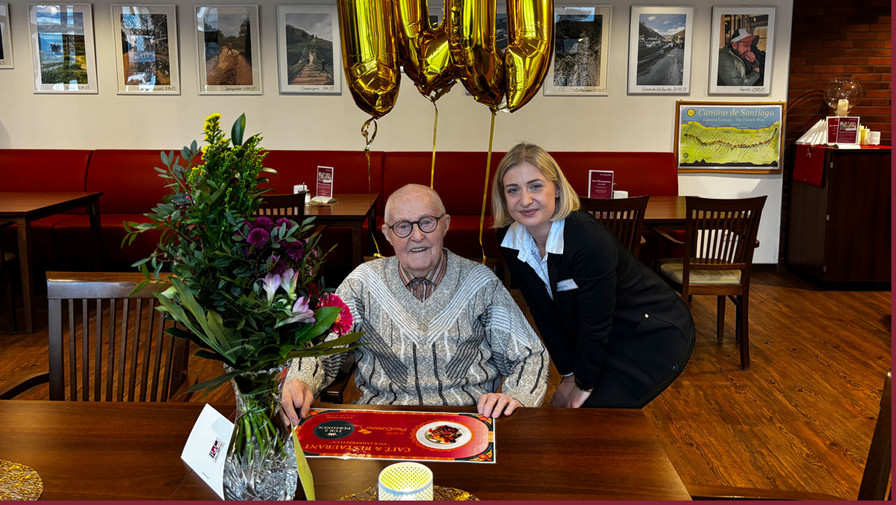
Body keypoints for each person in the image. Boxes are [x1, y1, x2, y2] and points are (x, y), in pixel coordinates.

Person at [281, 184, 548, 423]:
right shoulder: (362, 283)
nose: (417, 236)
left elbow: (529, 354)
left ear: (446, 224)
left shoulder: (481, 283)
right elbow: (321, 348)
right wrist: (300, 379)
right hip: (383, 424)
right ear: (387, 234)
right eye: (403, 226)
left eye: (427, 222)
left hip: (468, 423)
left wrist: (517, 397)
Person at [491, 142, 695, 409]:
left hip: (652, 331)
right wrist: (567, 375)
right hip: (603, 334)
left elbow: (594, 323)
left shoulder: (586, 238)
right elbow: (542, 312)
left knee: (590, 414)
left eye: (536, 186)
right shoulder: (509, 238)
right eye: (513, 190)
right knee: (571, 411)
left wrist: (583, 383)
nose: (525, 200)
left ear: (557, 189)